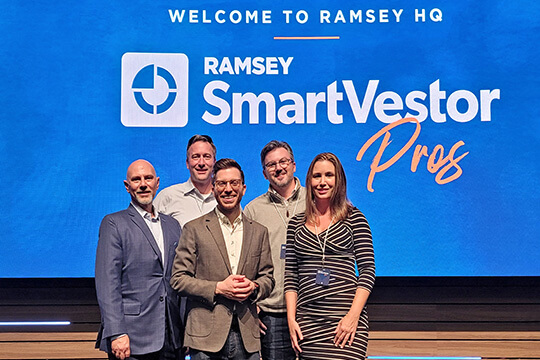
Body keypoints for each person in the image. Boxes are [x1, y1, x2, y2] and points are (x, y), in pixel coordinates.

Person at [170, 158, 275, 360]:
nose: (228, 189)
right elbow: (178, 279)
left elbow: (268, 278)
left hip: (247, 334)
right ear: (212, 188)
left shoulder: (259, 231)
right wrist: (218, 288)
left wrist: (253, 287)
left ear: (243, 188)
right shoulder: (194, 229)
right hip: (204, 337)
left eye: (234, 183)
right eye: (221, 184)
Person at [284, 153, 375, 360]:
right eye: (317, 176)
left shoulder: (355, 218)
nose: (322, 182)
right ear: (309, 181)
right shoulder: (296, 224)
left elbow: (368, 272)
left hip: (345, 323)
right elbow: (290, 277)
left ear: (339, 180)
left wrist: (352, 317)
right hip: (308, 324)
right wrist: (291, 319)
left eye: (329, 175)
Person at [95, 160, 183, 360]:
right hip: (132, 338)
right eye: (136, 180)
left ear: (157, 183)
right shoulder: (114, 224)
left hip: (172, 336)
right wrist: (116, 332)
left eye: (148, 178)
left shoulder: (173, 225)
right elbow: (107, 284)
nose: (143, 184)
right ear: (127, 186)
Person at [244, 140, 306, 360]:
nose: (278, 168)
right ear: (264, 173)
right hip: (272, 314)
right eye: (271, 165)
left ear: (294, 165)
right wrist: (252, 308)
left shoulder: (316, 200)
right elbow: (244, 264)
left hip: (312, 310)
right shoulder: (253, 210)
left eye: (283, 161)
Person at [154, 135, 217, 228]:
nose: (201, 163)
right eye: (196, 157)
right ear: (187, 163)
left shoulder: (225, 199)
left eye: (207, 157)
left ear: (214, 162)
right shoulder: (168, 197)